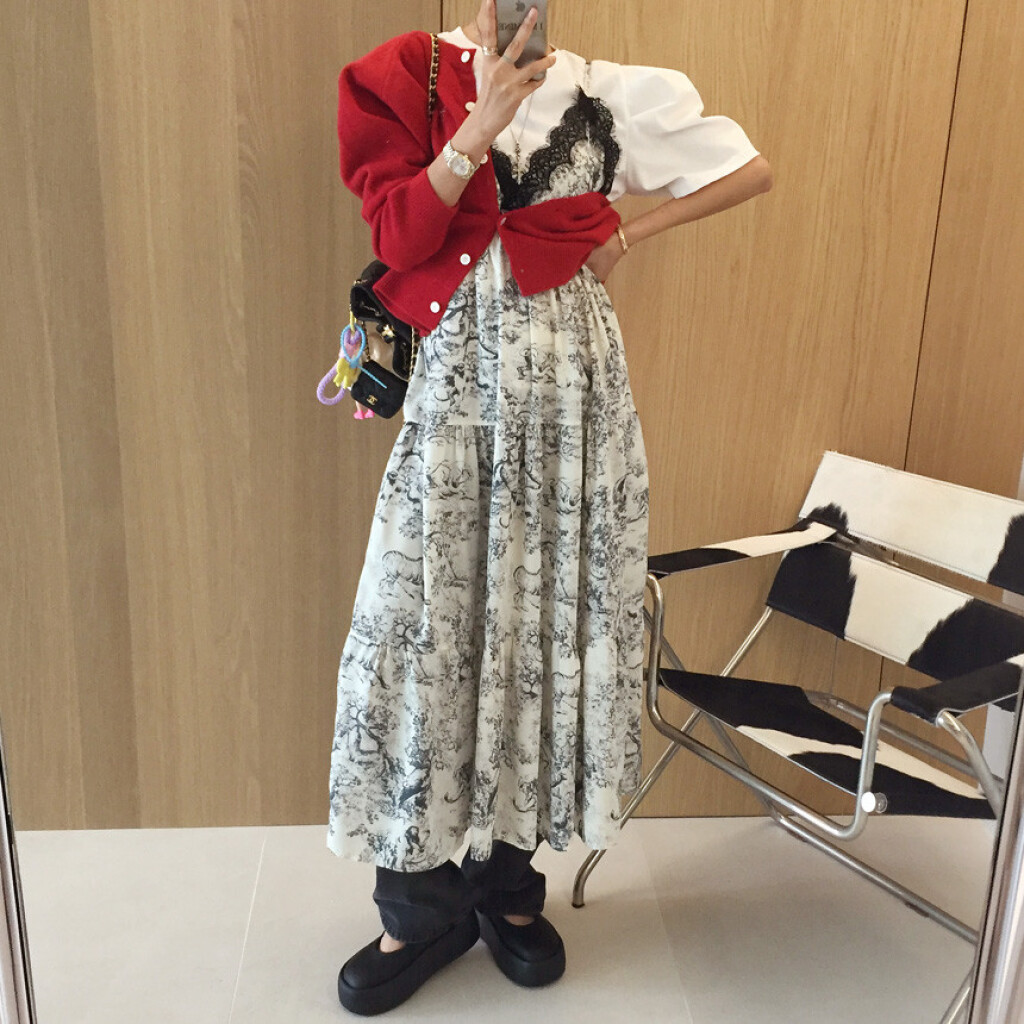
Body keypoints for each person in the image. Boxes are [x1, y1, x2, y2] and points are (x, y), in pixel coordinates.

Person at [328, 0, 772, 1014]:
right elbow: (400, 232)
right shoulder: (405, 74)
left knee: (546, 626)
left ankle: (507, 891)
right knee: (430, 626)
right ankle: (416, 907)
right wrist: (478, 126)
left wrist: (626, 232)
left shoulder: (607, 90)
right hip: (457, 391)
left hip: (577, 394)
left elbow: (749, 169)